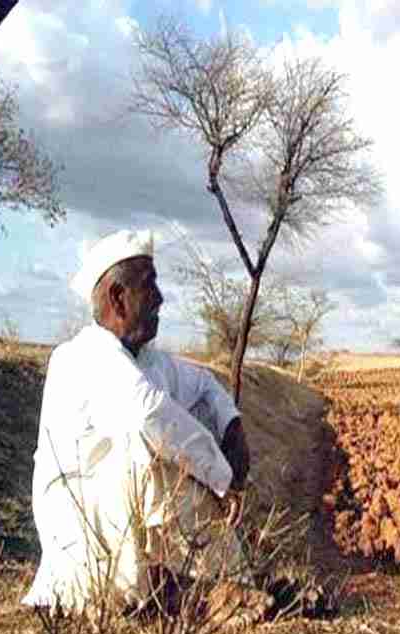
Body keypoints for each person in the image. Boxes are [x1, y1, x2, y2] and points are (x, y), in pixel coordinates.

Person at [22, 229, 252, 613]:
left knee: (176, 443)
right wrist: (223, 480)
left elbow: (204, 384)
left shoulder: (145, 359)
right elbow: (150, 415)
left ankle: (212, 584)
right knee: (148, 456)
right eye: (149, 286)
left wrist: (232, 424)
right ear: (117, 297)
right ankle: (197, 587)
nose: (160, 298)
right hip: (83, 537)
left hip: (119, 525)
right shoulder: (83, 355)